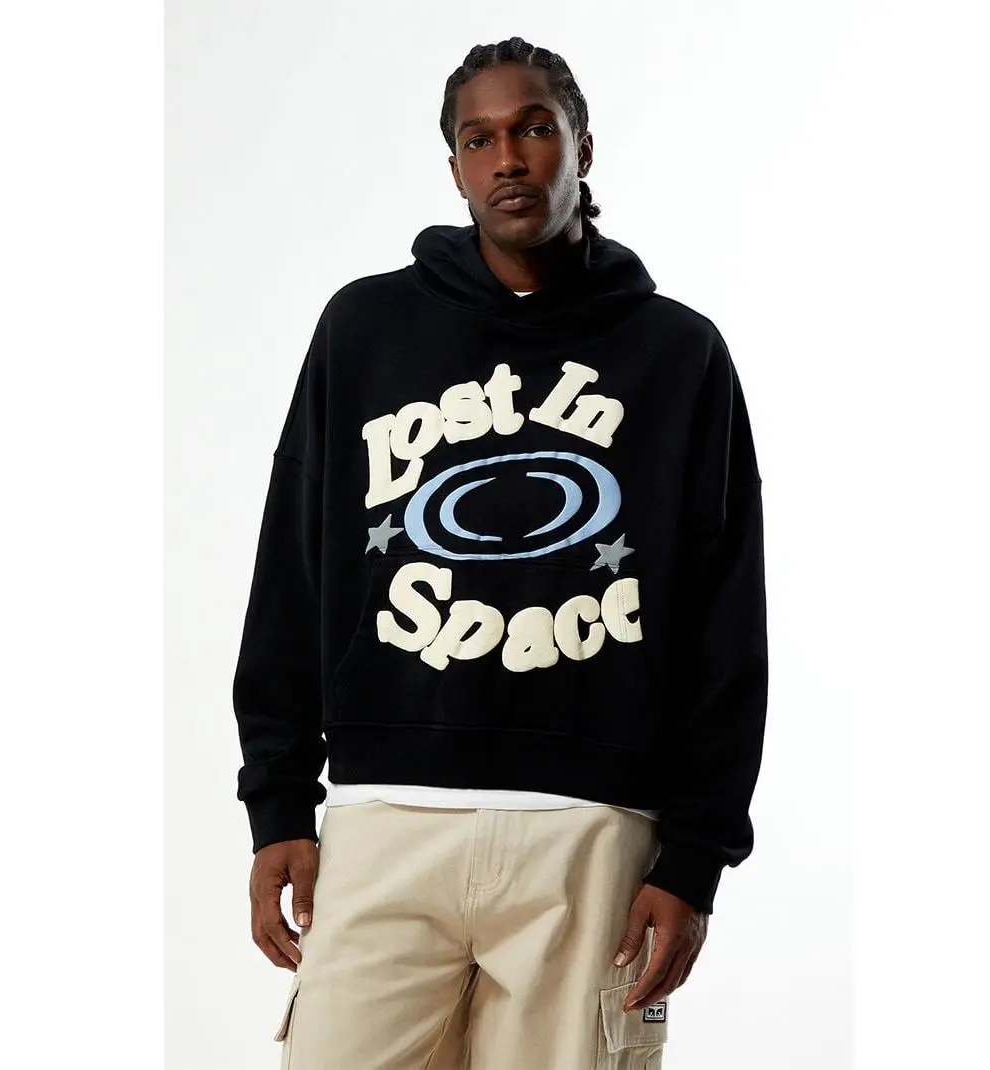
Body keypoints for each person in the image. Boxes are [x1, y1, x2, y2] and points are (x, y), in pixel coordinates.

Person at [232, 35, 768, 1070]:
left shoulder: (677, 353)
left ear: (581, 147)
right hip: (386, 820)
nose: (508, 159)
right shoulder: (364, 329)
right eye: (478, 139)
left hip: (589, 835)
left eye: (533, 128)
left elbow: (725, 618)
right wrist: (277, 801)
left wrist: (695, 856)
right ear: (454, 168)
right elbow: (292, 569)